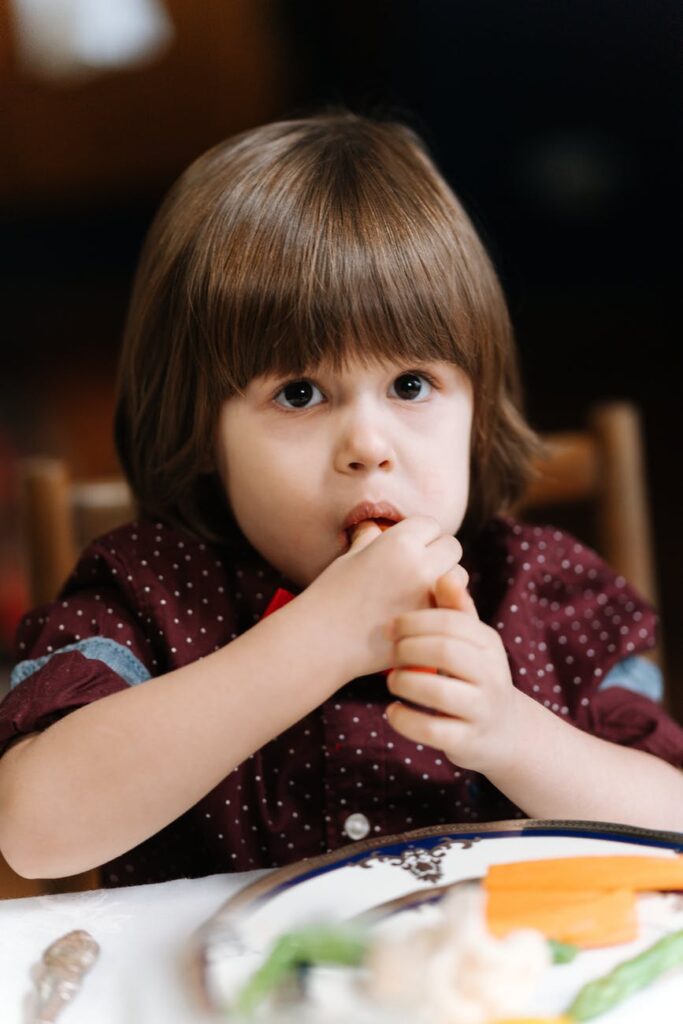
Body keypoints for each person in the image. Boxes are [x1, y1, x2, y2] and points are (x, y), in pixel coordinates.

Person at [1, 111, 682, 888]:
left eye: (411, 385)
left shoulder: (543, 593)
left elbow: (670, 828)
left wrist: (514, 734)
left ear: (476, 409)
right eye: (299, 393)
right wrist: (319, 639)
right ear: (202, 431)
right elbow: (34, 831)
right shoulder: (148, 591)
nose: (369, 444)